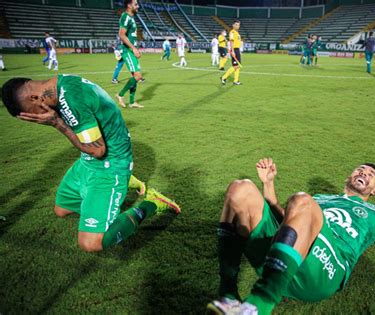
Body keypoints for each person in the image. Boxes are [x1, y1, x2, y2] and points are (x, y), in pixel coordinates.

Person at [207, 158, 375, 315]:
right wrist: (268, 185)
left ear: (374, 190)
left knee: (302, 200)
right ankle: (228, 294)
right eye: (360, 169)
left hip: (325, 269)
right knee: (240, 189)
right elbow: (287, 221)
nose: (364, 172)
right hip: (289, 254)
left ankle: (259, 305)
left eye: (370, 174)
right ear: (349, 177)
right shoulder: (321, 198)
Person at [1, 75, 181, 252]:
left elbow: (97, 150)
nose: (38, 120)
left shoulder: (72, 100)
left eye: (33, 115)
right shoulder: (61, 83)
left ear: (34, 98)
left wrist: (56, 123)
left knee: (91, 243)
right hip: (87, 163)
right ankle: (124, 184)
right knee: (61, 209)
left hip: (109, 166)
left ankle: (151, 203)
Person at [115, 0, 144, 109]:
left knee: (135, 76)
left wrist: (135, 49)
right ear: (129, 5)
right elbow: (121, 35)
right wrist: (133, 49)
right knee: (138, 76)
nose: (138, 6)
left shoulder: (131, 18)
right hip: (127, 50)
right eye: (135, 4)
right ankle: (120, 95)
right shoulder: (125, 16)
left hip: (131, 50)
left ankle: (132, 102)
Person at [221, 20, 243, 86]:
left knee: (237, 66)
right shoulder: (232, 32)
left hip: (237, 50)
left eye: (238, 25)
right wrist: (233, 51)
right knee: (235, 66)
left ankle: (236, 80)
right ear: (233, 25)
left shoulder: (237, 33)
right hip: (235, 50)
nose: (238, 26)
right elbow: (231, 42)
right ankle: (223, 77)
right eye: (236, 24)